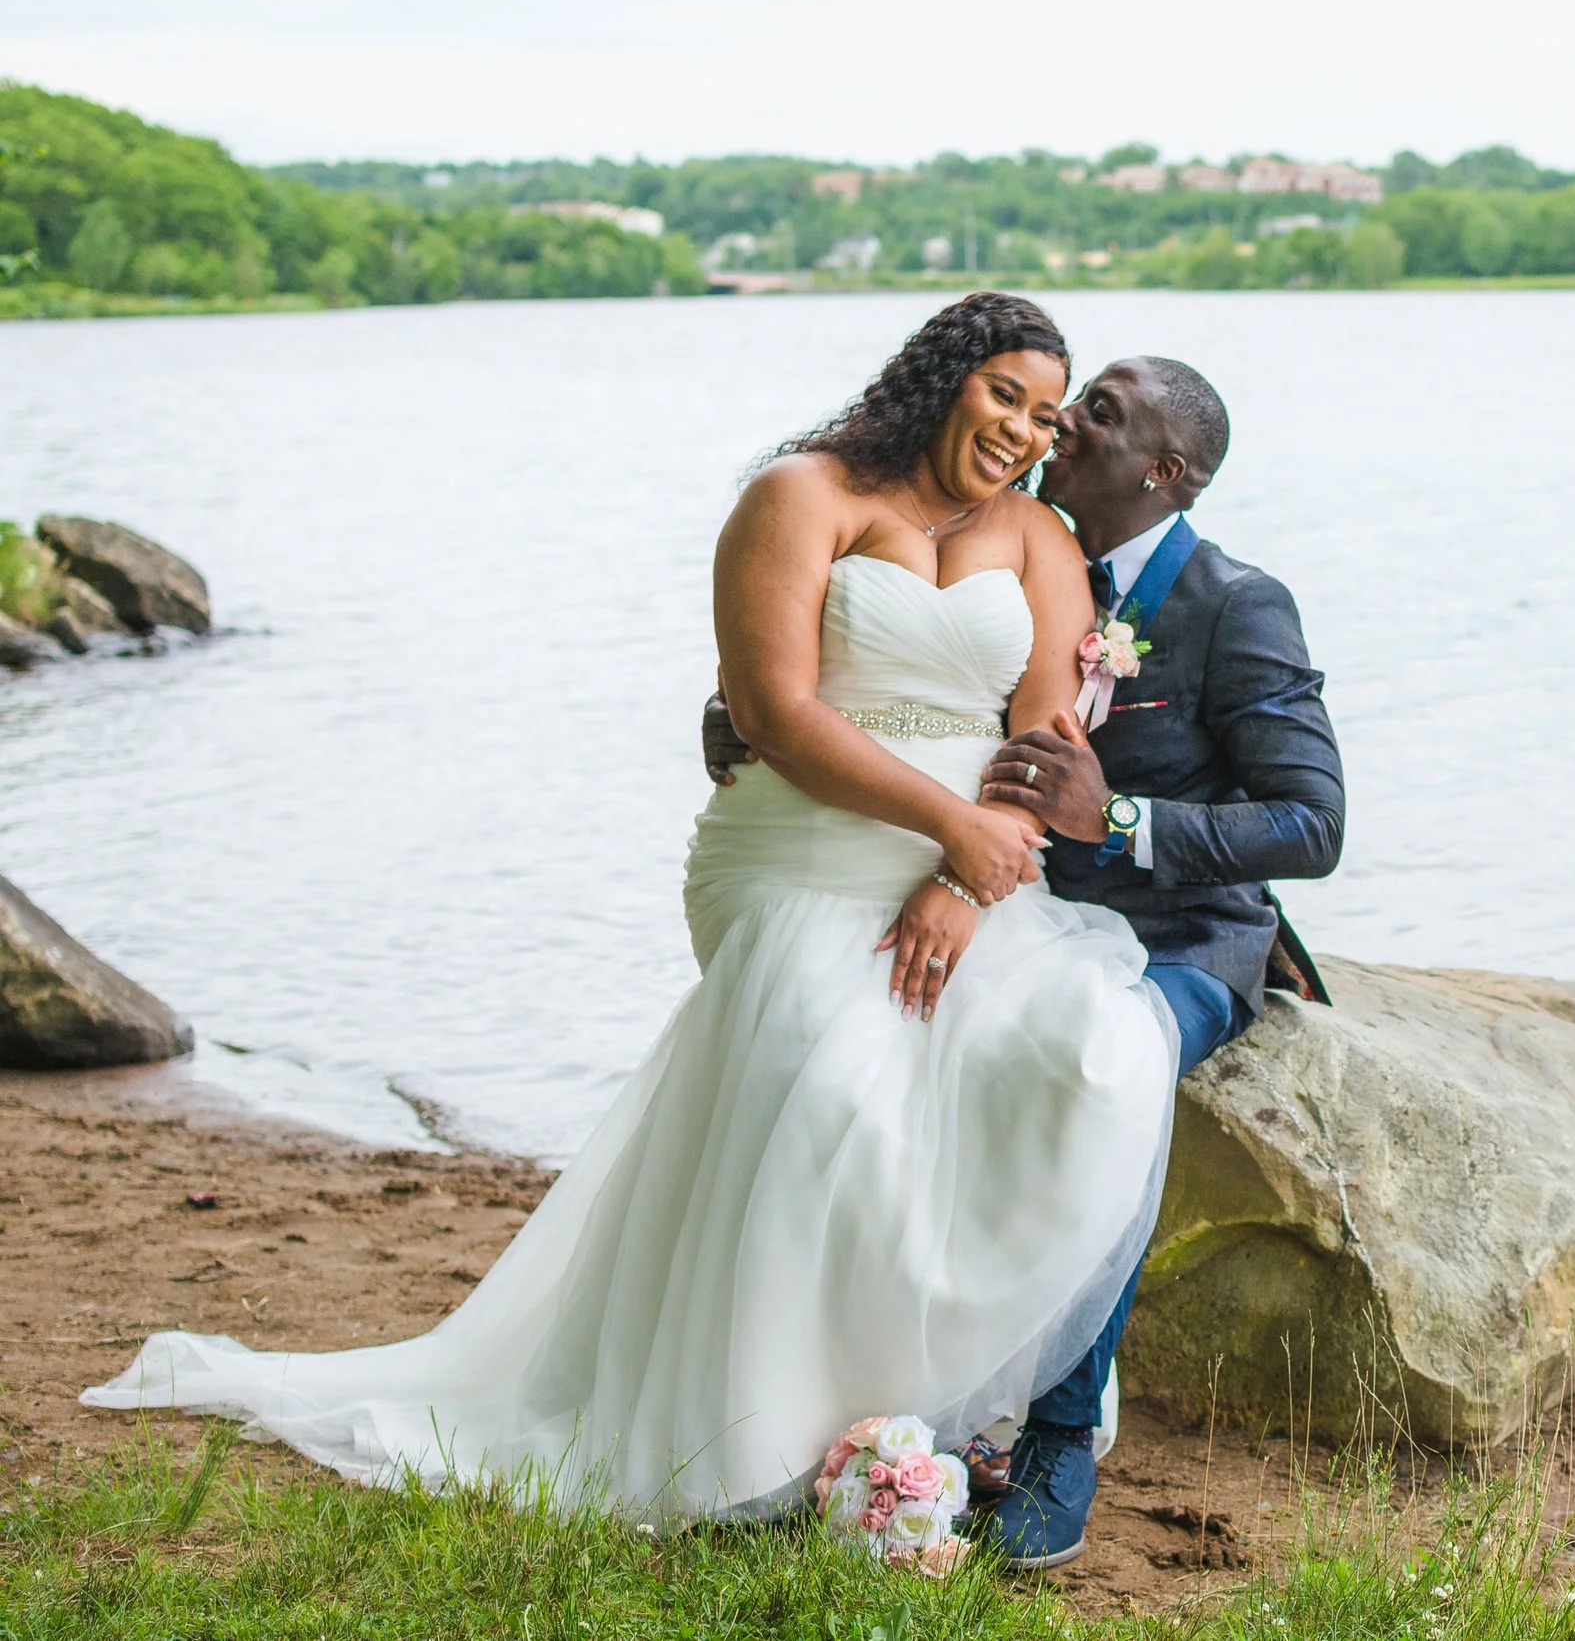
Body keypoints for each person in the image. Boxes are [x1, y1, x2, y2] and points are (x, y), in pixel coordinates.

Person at [84, 293, 1185, 1526]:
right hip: (794, 851)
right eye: (1004, 396)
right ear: (946, 375)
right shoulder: (801, 496)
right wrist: (945, 827)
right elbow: (773, 713)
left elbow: (1042, 738)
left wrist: (962, 879)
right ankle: (765, 1438)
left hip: (968, 878)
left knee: (1089, 1057)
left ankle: (896, 1424)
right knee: (839, 1097)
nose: (1023, 433)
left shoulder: (1036, 536)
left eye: (1045, 417)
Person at [705, 352, 1345, 1566]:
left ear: (1167, 472)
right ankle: (874, 1400)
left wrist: (1119, 821)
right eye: (1058, 407)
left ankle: (1058, 1431)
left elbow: (1312, 822)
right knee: (862, 1051)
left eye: (1092, 416)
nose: (1058, 430)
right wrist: (742, 715)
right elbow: (895, 679)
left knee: (1102, 1061)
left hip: (1177, 935)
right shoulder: (1022, 546)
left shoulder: (1234, 602)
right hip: (1009, 902)